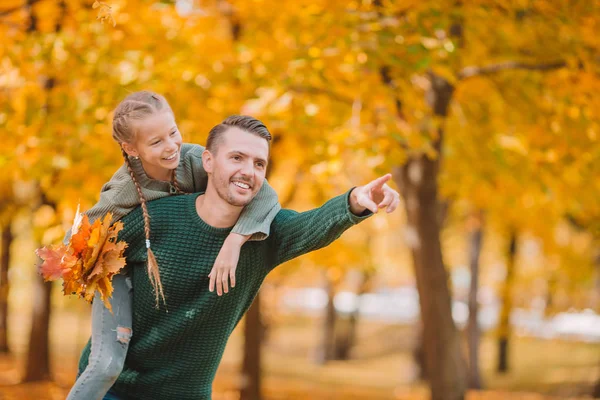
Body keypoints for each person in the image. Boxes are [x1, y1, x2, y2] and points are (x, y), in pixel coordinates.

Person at [77, 115, 400, 400]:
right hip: (112, 390)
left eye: (259, 164)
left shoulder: (265, 237)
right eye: (237, 158)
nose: (248, 171)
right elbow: (89, 255)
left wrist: (355, 202)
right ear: (208, 161)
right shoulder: (156, 217)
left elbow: (313, 225)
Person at [66, 92, 280, 400]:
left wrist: (236, 240)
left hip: (161, 266)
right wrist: (89, 269)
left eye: (173, 132)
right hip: (120, 274)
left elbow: (266, 196)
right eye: (156, 142)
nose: (171, 146)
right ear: (131, 149)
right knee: (106, 366)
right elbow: (77, 237)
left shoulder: (194, 160)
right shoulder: (122, 191)